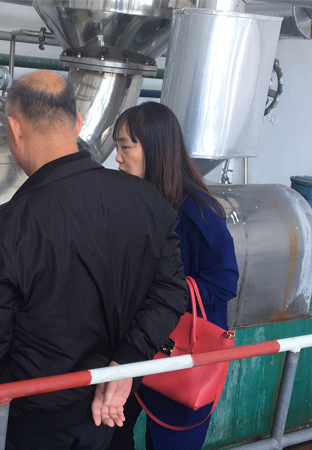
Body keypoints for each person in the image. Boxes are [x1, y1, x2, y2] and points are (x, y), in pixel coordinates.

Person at [0, 71, 188, 450]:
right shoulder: (147, 202)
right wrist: (126, 361)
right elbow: (170, 292)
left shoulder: (3, 231)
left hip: (37, 423)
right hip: (111, 413)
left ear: (14, 130)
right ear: (77, 123)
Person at [108, 101, 239, 450]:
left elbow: (225, 280)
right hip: (137, 344)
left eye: (125, 147)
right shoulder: (137, 200)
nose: (117, 158)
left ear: (155, 149)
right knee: (111, 432)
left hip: (181, 350)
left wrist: (166, 291)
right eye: (117, 147)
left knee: (168, 441)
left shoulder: (199, 211)